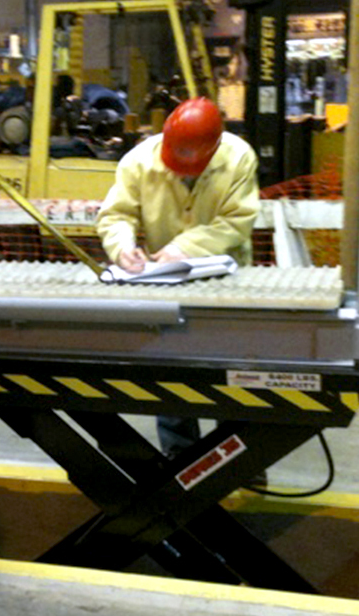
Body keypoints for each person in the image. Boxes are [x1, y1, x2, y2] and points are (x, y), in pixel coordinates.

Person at [96, 97, 260, 465]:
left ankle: (236, 460)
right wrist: (122, 249)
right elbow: (116, 215)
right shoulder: (137, 162)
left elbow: (237, 221)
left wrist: (185, 248)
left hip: (227, 281)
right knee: (170, 369)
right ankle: (179, 456)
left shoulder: (238, 158)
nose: (184, 172)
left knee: (232, 373)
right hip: (164, 283)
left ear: (214, 147)